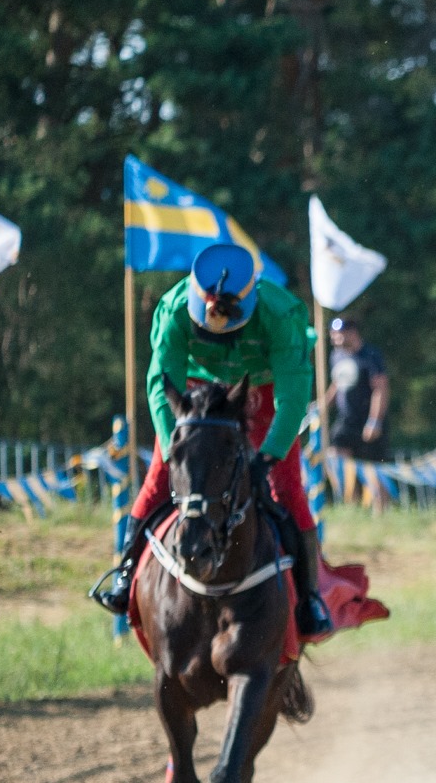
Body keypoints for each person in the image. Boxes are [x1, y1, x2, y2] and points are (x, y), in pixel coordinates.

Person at [89, 244, 332, 637]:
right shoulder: (173, 310)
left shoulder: (280, 315)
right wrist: (172, 448)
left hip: (262, 388)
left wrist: (266, 457)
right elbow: (158, 385)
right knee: (157, 481)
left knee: (287, 488)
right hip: (197, 389)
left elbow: (293, 400)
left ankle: (309, 598)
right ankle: (126, 573)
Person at [326, 315, 390, 463]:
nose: (334, 337)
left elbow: (380, 388)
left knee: (372, 474)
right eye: (332, 333)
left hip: (367, 420)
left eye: (338, 333)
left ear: (352, 332)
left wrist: (375, 421)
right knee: (338, 457)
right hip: (347, 420)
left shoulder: (370, 355)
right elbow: (337, 384)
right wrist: (321, 406)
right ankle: (344, 487)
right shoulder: (336, 356)